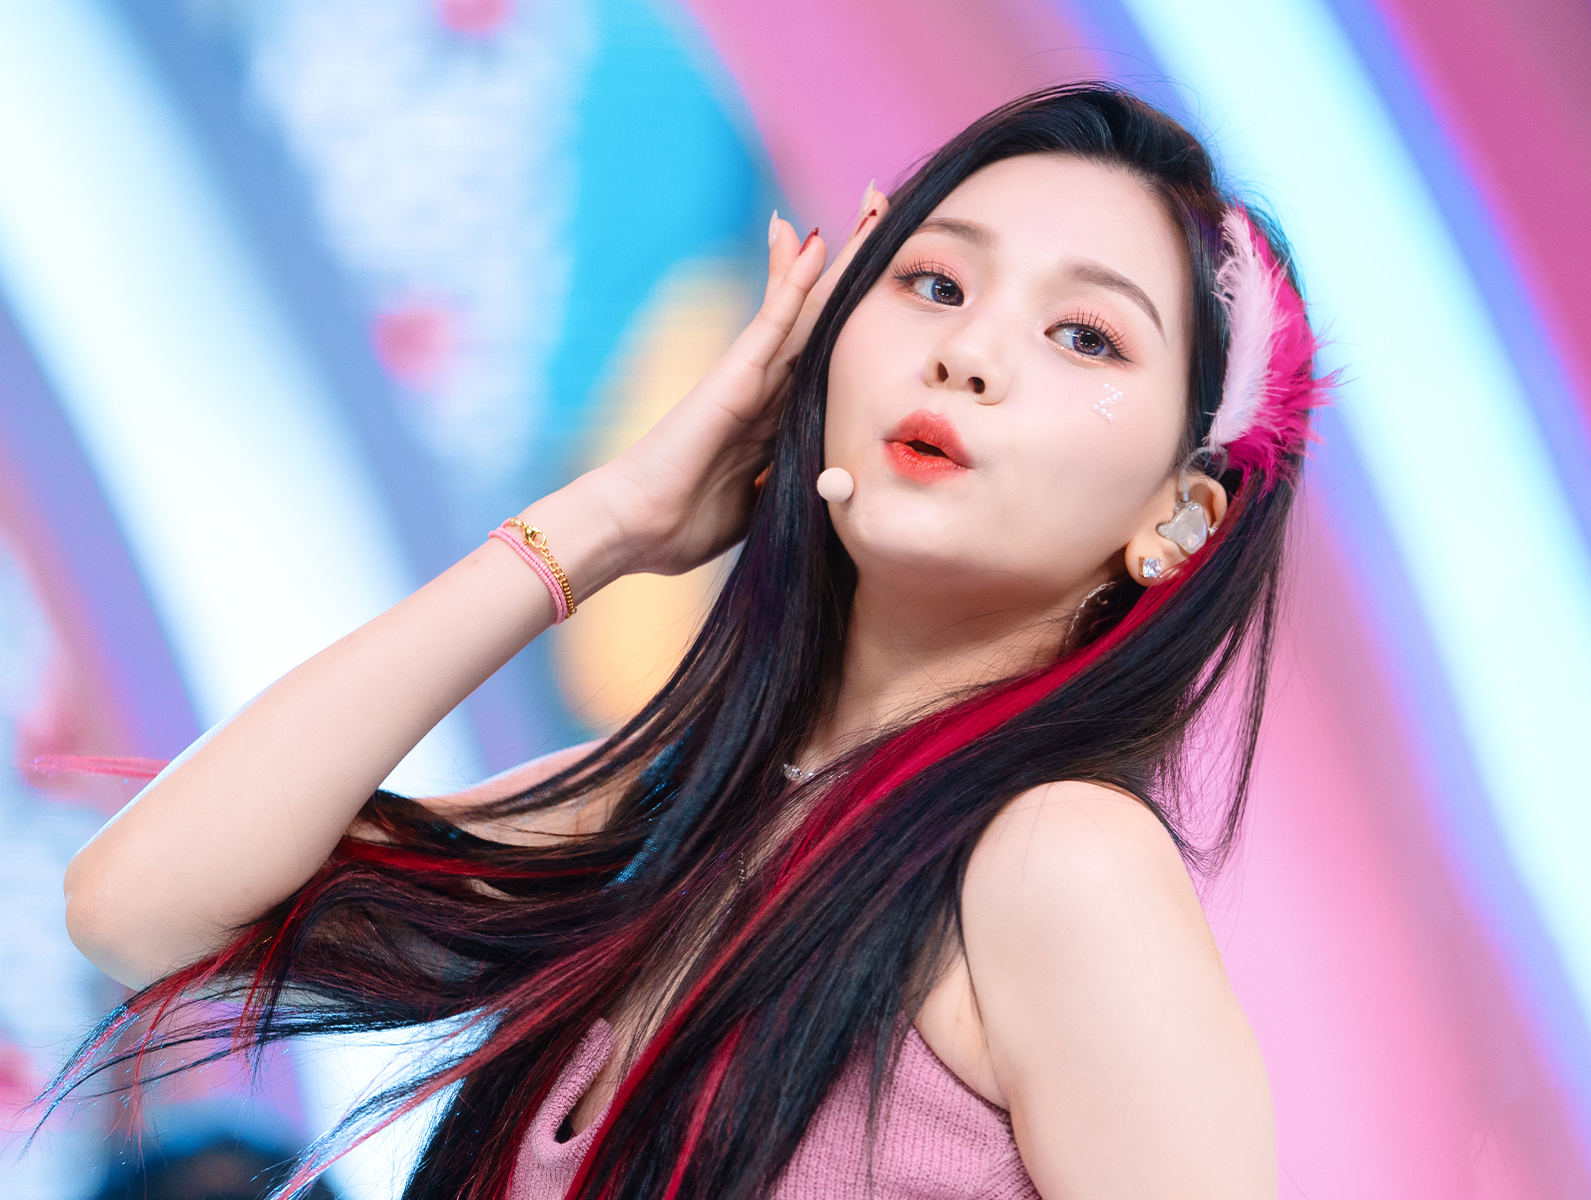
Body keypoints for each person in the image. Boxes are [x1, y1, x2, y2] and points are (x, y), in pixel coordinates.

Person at [58, 83, 1327, 1199]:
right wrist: (608, 521)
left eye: (1085, 336)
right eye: (936, 283)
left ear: (1178, 517)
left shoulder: (1060, 861)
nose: (970, 352)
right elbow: (139, 907)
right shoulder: (667, 813)